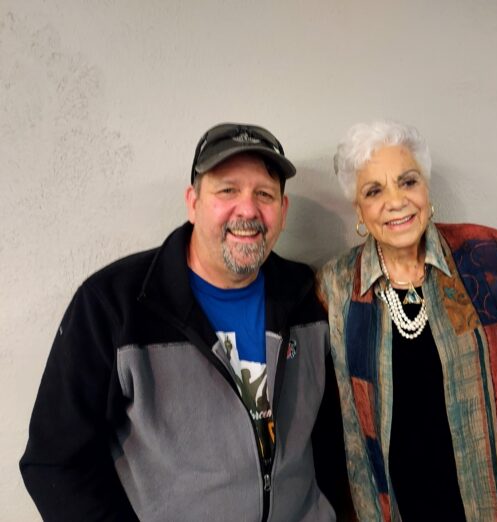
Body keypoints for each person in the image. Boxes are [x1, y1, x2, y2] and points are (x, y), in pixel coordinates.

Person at [20, 122, 350, 521]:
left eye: (264, 194)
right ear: (192, 203)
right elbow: (55, 462)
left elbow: (333, 439)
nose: (248, 209)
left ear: (283, 210)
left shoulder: (309, 297)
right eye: (227, 190)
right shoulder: (113, 305)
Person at [318, 120, 497, 522]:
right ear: (359, 210)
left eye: (407, 182)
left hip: (492, 504)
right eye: (374, 191)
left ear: (426, 188)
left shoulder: (489, 257)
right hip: (396, 508)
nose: (396, 201)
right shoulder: (337, 285)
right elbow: (345, 427)